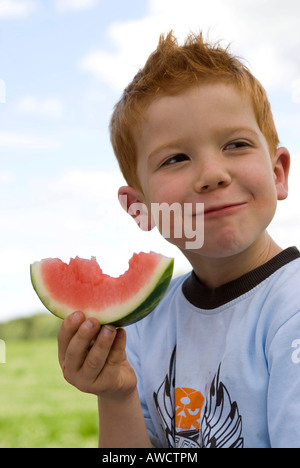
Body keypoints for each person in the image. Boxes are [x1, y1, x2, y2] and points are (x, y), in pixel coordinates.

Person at [57, 31, 300, 448]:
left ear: (278, 172)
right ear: (140, 208)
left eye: (236, 144)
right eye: (176, 158)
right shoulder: (145, 321)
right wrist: (116, 394)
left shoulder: (290, 308)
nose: (212, 174)